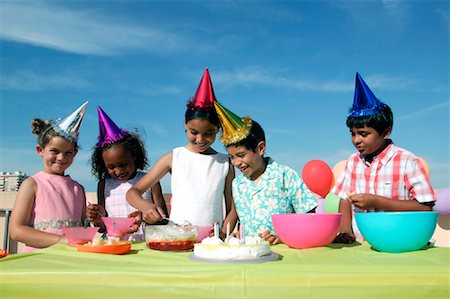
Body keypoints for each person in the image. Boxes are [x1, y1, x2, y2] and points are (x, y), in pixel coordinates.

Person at [127, 68, 236, 236]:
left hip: (211, 243)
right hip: (177, 238)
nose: (200, 139)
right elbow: (132, 193)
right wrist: (145, 206)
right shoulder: (174, 157)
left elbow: (232, 208)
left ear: (218, 129)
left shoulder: (225, 163)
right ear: (185, 123)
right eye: (194, 132)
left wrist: (223, 232)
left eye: (209, 133)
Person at [332, 73, 435, 243]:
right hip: (361, 243)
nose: (356, 140)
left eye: (364, 134)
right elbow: (345, 197)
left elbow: (425, 207)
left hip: (399, 241)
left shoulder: (407, 161)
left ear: (386, 132)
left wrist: (377, 201)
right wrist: (345, 229)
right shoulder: (353, 162)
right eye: (353, 134)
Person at [213, 101, 317, 244]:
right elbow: (234, 213)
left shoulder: (285, 175)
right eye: (231, 157)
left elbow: (309, 216)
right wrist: (221, 235)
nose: (236, 162)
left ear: (261, 148)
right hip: (250, 255)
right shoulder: (237, 184)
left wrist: (282, 238)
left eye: (241, 155)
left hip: (285, 254)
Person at [9, 102, 89, 251]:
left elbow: (83, 226)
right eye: (54, 151)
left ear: (75, 154)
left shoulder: (79, 189)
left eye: (68, 153)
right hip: (41, 263)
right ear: (40, 150)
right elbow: (16, 231)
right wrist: (61, 240)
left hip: (72, 263)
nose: (61, 157)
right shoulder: (32, 184)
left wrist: (95, 217)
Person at [87, 106, 166, 241]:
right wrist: (97, 218)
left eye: (123, 164)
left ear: (134, 155)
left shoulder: (150, 181)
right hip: (115, 245)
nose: (118, 171)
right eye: (111, 167)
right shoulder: (104, 185)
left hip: (145, 245)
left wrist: (147, 218)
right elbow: (102, 227)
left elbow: (164, 220)